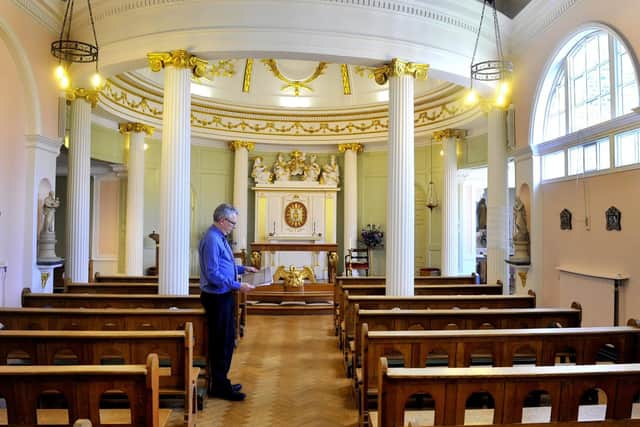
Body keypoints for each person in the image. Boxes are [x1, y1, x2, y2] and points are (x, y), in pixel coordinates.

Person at [199, 203, 257, 401]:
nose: (234, 226)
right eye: (232, 223)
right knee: (220, 343)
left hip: (224, 295)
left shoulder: (219, 237)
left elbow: (225, 265)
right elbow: (213, 273)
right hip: (217, 297)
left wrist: (243, 270)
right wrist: (237, 285)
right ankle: (220, 387)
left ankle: (222, 381)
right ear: (222, 220)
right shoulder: (212, 239)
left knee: (226, 341)